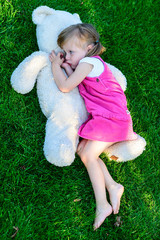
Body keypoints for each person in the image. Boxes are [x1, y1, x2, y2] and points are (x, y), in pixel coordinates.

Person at [49, 23, 137, 230]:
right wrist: (67, 66)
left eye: (71, 51)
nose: (66, 55)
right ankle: (113, 186)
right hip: (108, 118)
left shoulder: (89, 62)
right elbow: (76, 79)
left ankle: (102, 204)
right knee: (83, 150)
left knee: (88, 156)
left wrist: (55, 65)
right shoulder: (87, 64)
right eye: (64, 52)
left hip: (113, 120)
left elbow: (65, 86)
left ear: (88, 49)